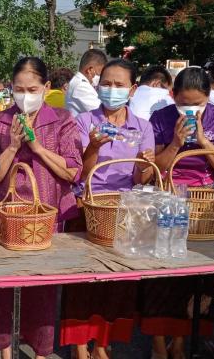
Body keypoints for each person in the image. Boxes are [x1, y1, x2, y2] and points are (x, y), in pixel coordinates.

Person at [0, 57, 83, 359]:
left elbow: (72, 171)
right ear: (11, 88)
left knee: (42, 289)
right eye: (19, 89)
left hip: (46, 217)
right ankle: (4, 350)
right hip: (3, 215)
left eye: (33, 88)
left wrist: (37, 147)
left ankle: (40, 351)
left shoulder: (62, 119)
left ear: (46, 88)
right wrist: (12, 146)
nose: (26, 95)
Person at [62, 59, 155, 359]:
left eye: (118, 85)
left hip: (124, 210)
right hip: (87, 206)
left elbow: (142, 177)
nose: (111, 89)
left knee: (118, 282)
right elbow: (79, 172)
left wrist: (145, 164)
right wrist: (93, 148)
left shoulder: (142, 127)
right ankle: (79, 343)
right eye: (106, 83)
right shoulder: (85, 122)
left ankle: (103, 340)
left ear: (132, 89)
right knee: (82, 281)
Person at [143, 66, 214, 359]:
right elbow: (155, 167)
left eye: (197, 104)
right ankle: (159, 342)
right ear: (172, 96)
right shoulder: (161, 118)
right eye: (184, 103)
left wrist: (202, 140)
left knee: (196, 278)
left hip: (204, 204)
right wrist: (176, 142)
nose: (191, 109)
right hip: (168, 196)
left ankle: (181, 340)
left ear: (208, 99)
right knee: (163, 274)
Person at [66, 49, 107, 117]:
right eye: (100, 74)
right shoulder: (81, 86)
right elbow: (102, 113)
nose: (101, 78)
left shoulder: (78, 82)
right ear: (90, 70)